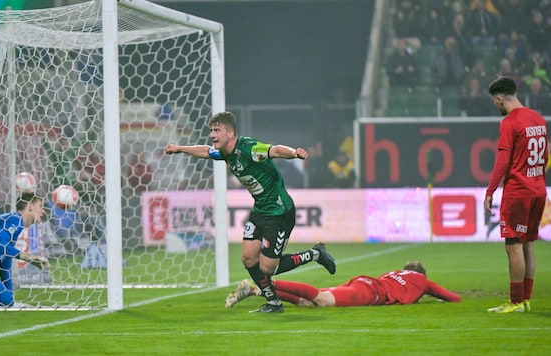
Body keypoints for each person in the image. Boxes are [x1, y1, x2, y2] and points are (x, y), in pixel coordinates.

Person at [165, 111, 337, 313]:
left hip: (279, 212)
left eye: (217, 130)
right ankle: (274, 303)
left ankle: (315, 254)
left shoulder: (248, 148)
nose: (212, 135)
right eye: (211, 130)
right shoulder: (224, 152)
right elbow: (205, 151)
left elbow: (274, 150)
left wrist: (293, 153)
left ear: (230, 133)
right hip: (260, 211)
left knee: (267, 268)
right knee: (248, 258)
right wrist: (179, 149)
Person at [484, 76, 548, 313]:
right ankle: (526, 300)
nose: (495, 106)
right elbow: (544, 156)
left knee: (513, 245)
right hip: (538, 189)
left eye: (495, 102)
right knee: (529, 244)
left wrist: (490, 191)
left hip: (518, 191)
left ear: (500, 99)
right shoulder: (538, 119)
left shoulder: (509, 122)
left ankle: (515, 302)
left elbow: (502, 162)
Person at [225, 261, 461, 308]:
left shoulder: (395, 272)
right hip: (371, 292)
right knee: (322, 300)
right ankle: (268, 283)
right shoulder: (421, 280)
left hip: (365, 281)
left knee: (309, 303)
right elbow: (451, 297)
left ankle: (256, 290)